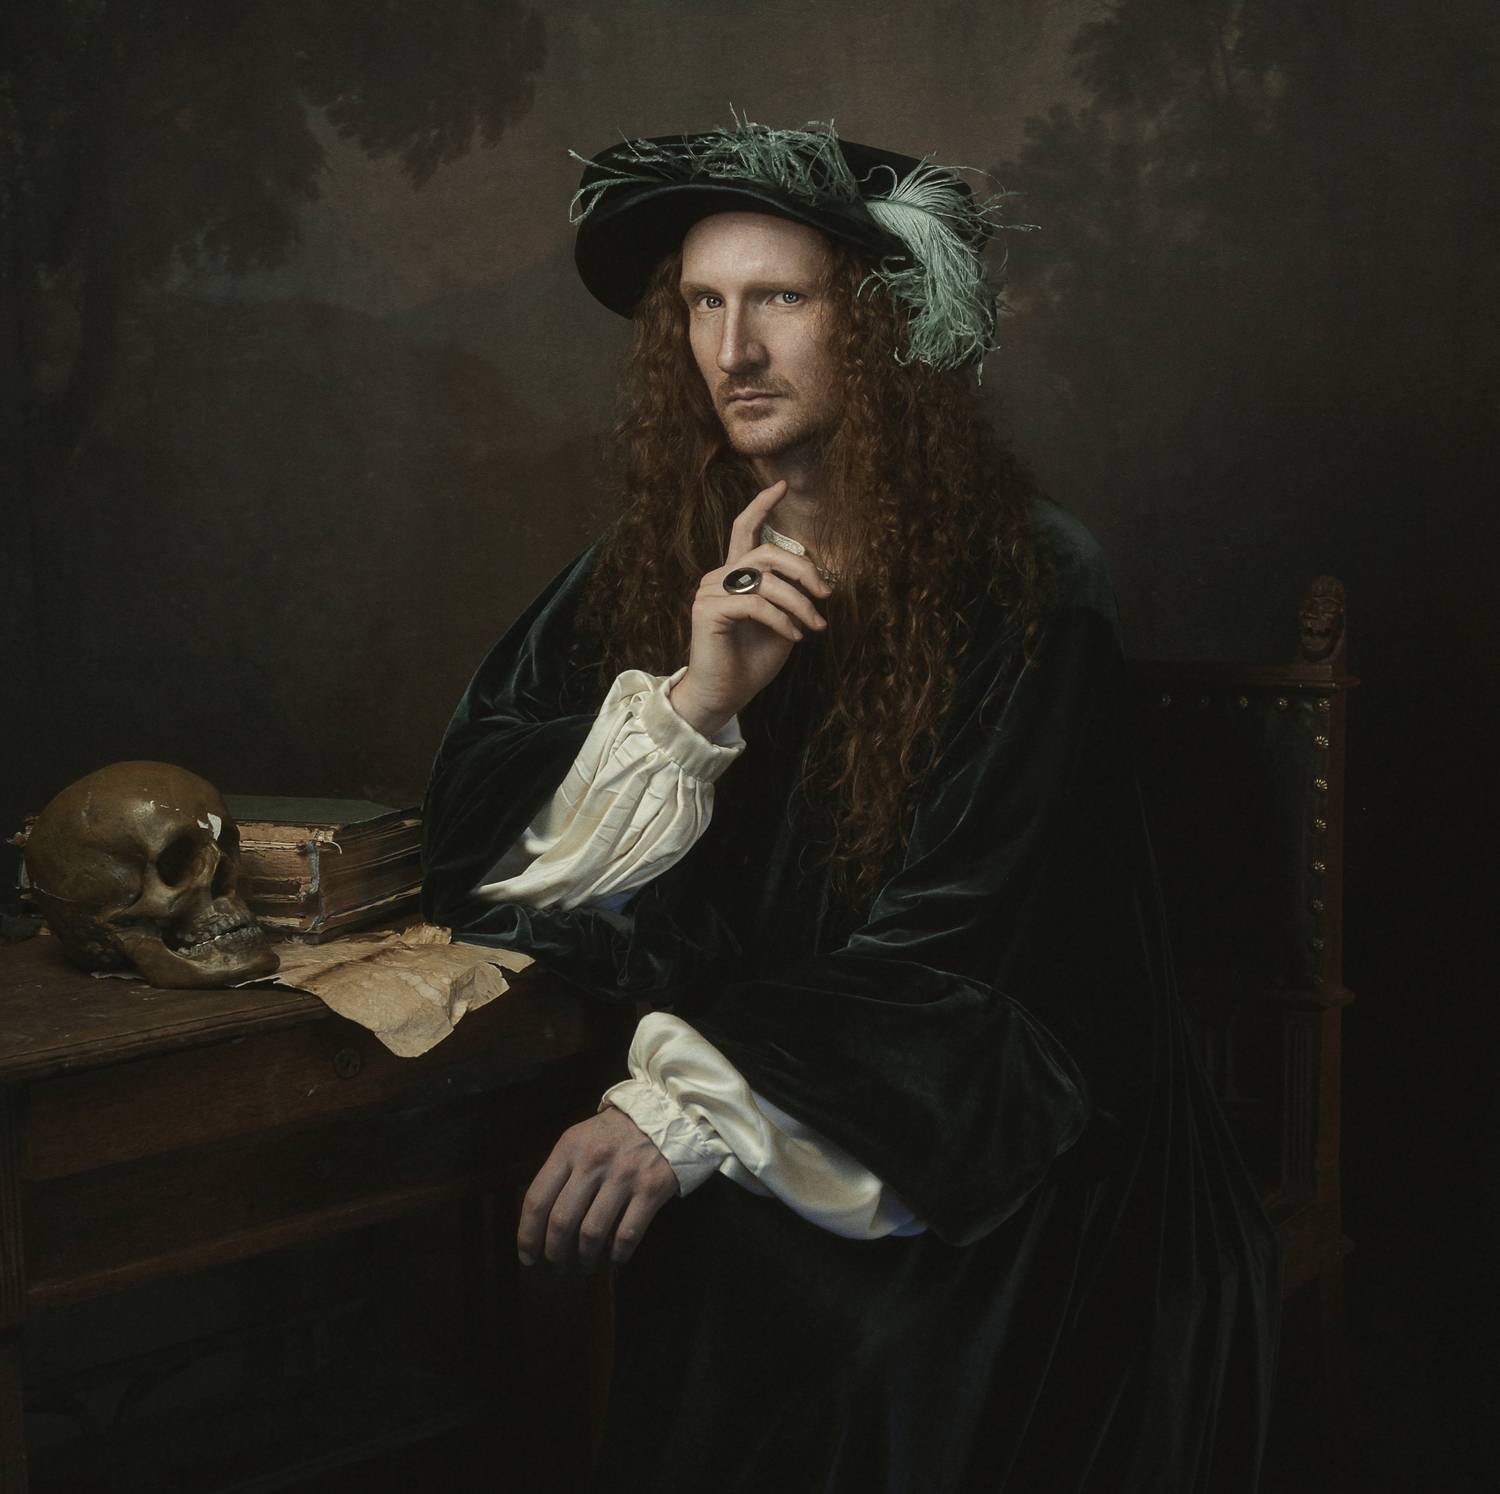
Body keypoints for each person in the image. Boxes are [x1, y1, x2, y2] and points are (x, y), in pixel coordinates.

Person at [421, 116, 1281, 1493]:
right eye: (703, 303)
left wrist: (681, 1112)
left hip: (994, 1128)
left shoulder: (1027, 580)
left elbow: (979, 953)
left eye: (781, 299)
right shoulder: (656, 553)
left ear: (876, 326)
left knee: (853, 1344)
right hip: (758, 1090)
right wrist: (697, 704)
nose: (733, 350)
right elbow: (482, 853)